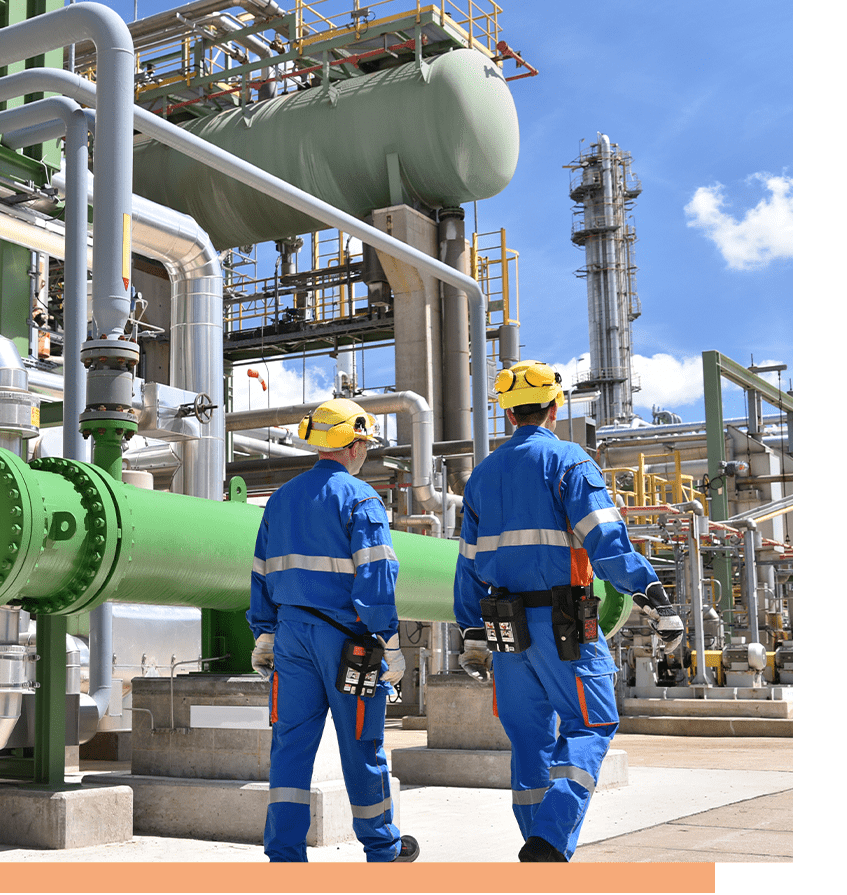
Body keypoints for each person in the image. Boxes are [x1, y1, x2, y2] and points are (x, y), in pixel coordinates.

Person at [455, 361, 685, 862]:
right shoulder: (568, 461)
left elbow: (467, 563)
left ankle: (538, 848)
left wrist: (472, 632)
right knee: (592, 724)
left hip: (505, 630)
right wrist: (652, 594)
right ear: (555, 407)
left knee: (529, 742)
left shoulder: (482, 476)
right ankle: (551, 837)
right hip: (564, 626)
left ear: (508, 413)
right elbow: (606, 540)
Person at [248, 397, 419, 863]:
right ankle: (382, 848)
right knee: (362, 744)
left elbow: (260, 571)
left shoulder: (281, 499)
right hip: (347, 642)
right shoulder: (361, 498)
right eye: (365, 444)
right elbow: (377, 578)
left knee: (290, 747)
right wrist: (390, 643)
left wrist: (265, 635)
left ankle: (284, 857)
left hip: (291, 638)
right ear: (354, 445)